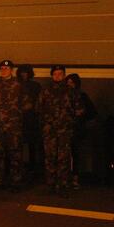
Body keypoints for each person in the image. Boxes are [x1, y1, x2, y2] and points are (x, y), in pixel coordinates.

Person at [37, 65, 84, 197]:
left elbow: (79, 110)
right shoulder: (46, 91)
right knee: (50, 157)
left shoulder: (71, 92)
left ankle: (62, 185)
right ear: (52, 75)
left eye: (60, 74)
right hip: (50, 130)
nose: (57, 76)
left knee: (63, 158)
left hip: (64, 130)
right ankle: (50, 185)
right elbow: (39, 108)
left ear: (64, 75)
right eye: (55, 74)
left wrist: (69, 120)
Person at [0, 60, 24, 191]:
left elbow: (26, 104)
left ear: (11, 70)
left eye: (6, 68)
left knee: (15, 155)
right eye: (2, 68)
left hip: (13, 127)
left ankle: (16, 182)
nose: (4, 70)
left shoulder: (18, 86)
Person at [65, 73, 98, 190]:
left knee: (75, 153)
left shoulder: (82, 96)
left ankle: (75, 177)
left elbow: (91, 112)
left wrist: (81, 119)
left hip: (77, 129)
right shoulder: (63, 96)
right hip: (65, 129)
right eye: (68, 83)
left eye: (72, 83)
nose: (70, 85)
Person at [17, 64, 42, 181]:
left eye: (25, 72)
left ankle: (32, 168)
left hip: (31, 119)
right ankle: (20, 168)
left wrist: (33, 107)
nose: (23, 74)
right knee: (18, 145)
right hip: (18, 119)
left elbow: (39, 101)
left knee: (32, 144)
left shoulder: (35, 86)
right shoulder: (16, 85)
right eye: (22, 72)